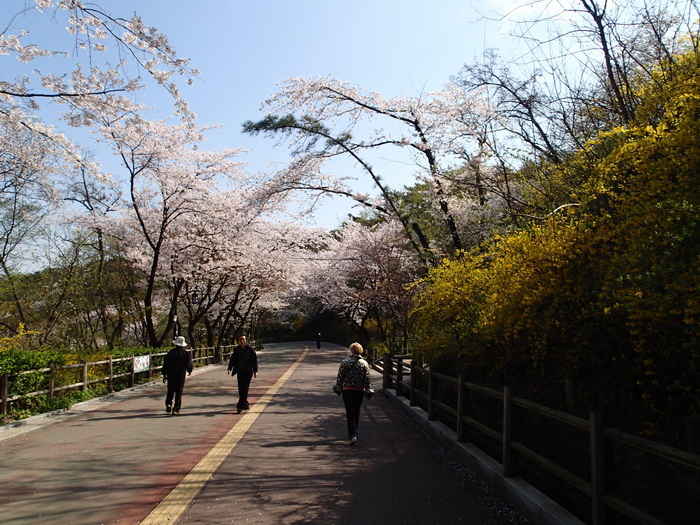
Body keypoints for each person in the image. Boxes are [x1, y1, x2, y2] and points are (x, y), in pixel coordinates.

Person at [334, 342, 373, 444]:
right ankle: (355, 433)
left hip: (347, 390)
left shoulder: (345, 362)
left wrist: (338, 388)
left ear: (351, 350)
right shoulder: (364, 363)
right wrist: (368, 390)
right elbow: (367, 378)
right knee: (356, 411)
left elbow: (340, 377)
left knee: (349, 412)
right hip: (359, 390)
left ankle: (353, 434)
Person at [227, 334, 258, 414]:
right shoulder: (237, 349)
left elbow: (254, 360)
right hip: (240, 371)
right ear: (238, 341)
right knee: (241, 389)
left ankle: (239, 406)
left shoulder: (250, 349)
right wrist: (229, 369)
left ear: (246, 340)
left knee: (245, 388)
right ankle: (245, 404)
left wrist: (255, 371)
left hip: (248, 372)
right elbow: (233, 360)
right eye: (240, 339)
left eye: (243, 339)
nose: (242, 341)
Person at [162, 335, 193, 415]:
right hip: (180, 375)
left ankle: (168, 404)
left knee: (170, 391)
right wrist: (189, 370)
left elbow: (166, 364)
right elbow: (188, 364)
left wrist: (164, 375)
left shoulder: (170, 353)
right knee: (179, 392)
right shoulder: (186, 354)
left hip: (171, 375)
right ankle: (176, 408)